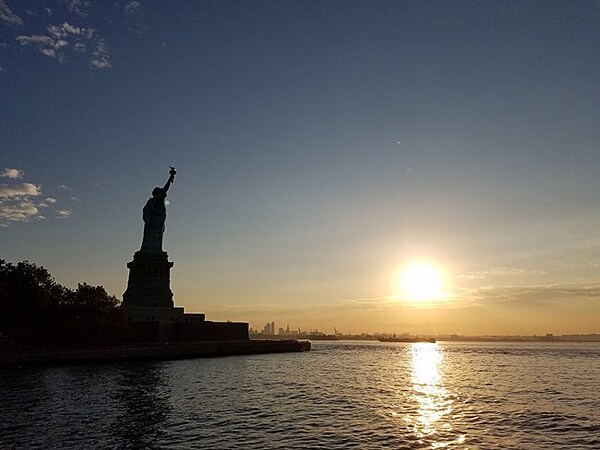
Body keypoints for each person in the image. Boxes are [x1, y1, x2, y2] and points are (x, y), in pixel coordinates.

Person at [140, 167, 176, 253]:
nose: (164, 194)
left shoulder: (154, 201)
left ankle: (153, 250)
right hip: (153, 224)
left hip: (157, 224)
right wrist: (170, 177)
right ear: (157, 194)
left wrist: (171, 177)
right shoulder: (154, 200)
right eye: (161, 192)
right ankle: (150, 251)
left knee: (156, 238)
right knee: (152, 238)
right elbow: (165, 188)